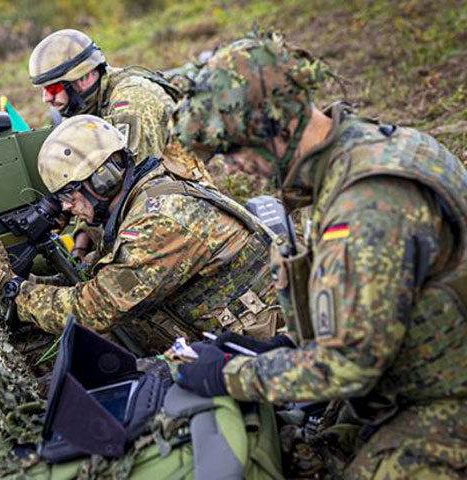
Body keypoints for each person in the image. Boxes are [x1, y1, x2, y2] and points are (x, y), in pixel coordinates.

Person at [172, 31, 467, 479]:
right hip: (416, 364)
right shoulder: (368, 145)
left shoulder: (365, 206)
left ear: (278, 126)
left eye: (232, 148)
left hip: (444, 394)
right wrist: (280, 346)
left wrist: (229, 376)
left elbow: (349, 366)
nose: (230, 166)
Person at [0, 115, 281, 355]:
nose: (70, 209)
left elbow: (92, 309)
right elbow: (99, 286)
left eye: (71, 195)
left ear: (102, 179)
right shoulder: (145, 193)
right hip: (236, 333)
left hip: (271, 344)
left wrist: (11, 288)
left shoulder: (158, 222)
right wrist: (31, 286)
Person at [29, 29, 211, 259]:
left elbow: (120, 188)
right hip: (160, 209)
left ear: (84, 77)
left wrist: (91, 258)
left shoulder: (131, 103)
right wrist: (81, 240)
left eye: (53, 88)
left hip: (184, 213)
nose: (46, 98)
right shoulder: (90, 104)